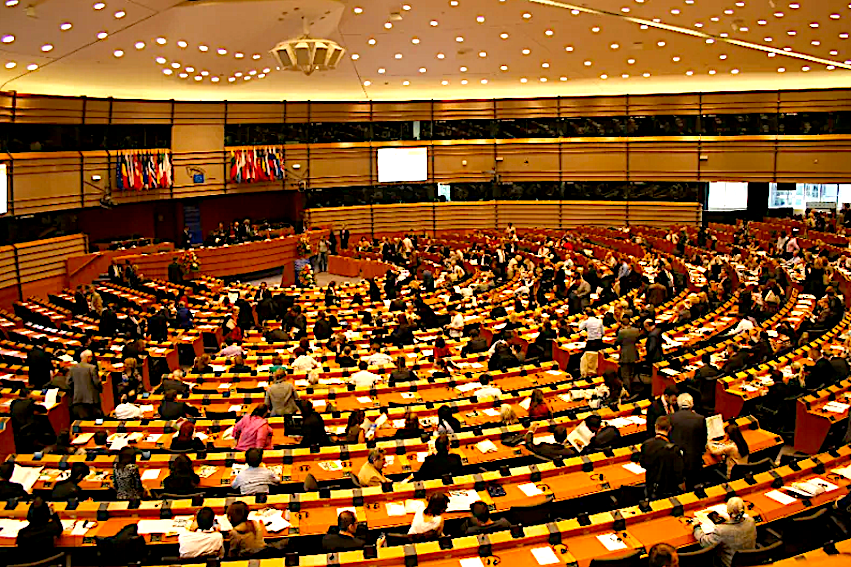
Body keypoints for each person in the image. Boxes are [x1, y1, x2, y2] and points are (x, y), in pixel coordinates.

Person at [692, 497, 756, 567]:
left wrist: (696, 527)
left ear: (728, 511)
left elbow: (704, 542)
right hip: (750, 562)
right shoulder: (751, 521)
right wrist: (729, 519)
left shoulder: (721, 530)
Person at [640, 416, 685, 500]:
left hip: (650, 487)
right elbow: (679, 475)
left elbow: (643, 464)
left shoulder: (646, 444)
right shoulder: (674, 450)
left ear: (656, 427)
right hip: (668, 491)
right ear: (670, 428)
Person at [670, 393, 707, 488]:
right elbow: (703, 440)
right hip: (694, 459)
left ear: (678, 404)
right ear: (692, 404)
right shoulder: (700, 418)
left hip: (675, 458)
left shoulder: (670, 418)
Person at [16, 497, 63, 562]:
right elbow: (59, 527)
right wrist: (53, 513)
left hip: (26, 564)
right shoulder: (51, 528)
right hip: (46, 563)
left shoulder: (22, 533)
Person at [69, 349, 103, 419]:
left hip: (78, 398)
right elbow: (97, 382)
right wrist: (101, 389)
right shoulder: (92, 368)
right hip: (92, 399)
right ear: (88, 357)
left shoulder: (72, 368)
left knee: (82, 420)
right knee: (96, 420)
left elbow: (69, 382)